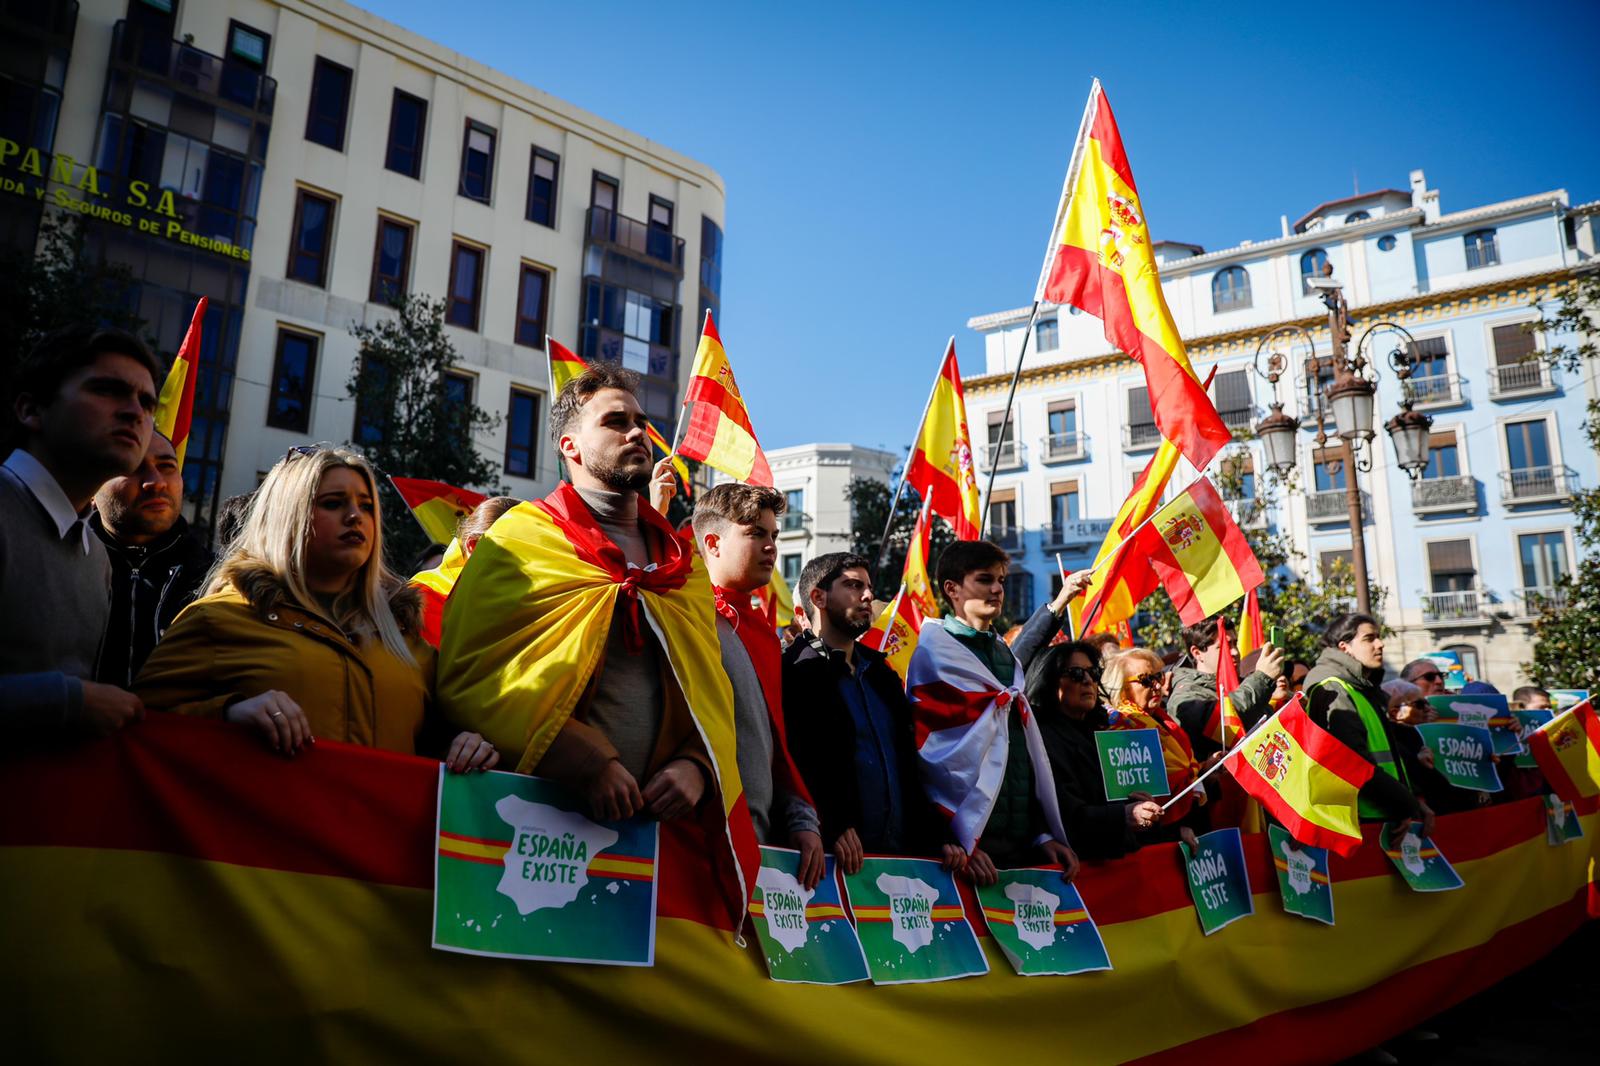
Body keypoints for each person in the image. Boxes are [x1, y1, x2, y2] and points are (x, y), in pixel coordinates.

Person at [436, 365, 721, 829]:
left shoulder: (683, 567)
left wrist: (696, 765)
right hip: (538, 827)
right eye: (615, 422)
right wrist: (588, 763)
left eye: (640, 423)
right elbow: (471, 681)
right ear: (569, 446)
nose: (637, 433)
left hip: (659, 836)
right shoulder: (517, 540)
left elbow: (711, 693)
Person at [136, 447, 496, 773]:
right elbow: (136, 725)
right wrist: (227, 713)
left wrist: (463, 744)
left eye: (366, 506)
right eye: (333, 503)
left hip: (374, 842)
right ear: (286, 516)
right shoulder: (218, 619)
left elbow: (432, 738)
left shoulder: (404, 636)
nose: (355, 516)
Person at [2, 325, 159, 742]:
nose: (135, 412)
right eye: (108, 390)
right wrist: (67, 701)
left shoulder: (97, 558)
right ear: (31, 410)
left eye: (147, 401)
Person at [908, 540, 1079, 884]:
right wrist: (957, 839)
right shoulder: (934, 655)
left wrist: (1040, 835)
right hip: (967, 851)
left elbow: (1019, 750)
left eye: (1001, 579)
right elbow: (929, 759)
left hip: (1019, 842)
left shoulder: (1005, 654)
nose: (998, 589)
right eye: (985, 580)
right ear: (952, 589)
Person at [783, 552, 964, 875]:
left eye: (868, 586)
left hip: (901, 860)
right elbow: (794, 762)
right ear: (818, 596)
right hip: (826, 862)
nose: (868, 595)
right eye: (853, 585)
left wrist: (939, 834)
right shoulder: (792, 671)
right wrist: (832, 821)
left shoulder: (882, 674)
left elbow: (908, 763)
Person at [692, 484, 824, 887]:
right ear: (712, 543)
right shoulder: (684, 614)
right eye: (755, 533)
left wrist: (801, 816)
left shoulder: (763, 634)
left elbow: (775, 741)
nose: (771, 547)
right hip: (693, 837)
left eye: (774, 536)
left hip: (757, 839)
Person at [90, 430, 214, 686]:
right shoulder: (50, 566)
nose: (156, 481)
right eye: (133, 467)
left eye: (167, 466)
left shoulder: (218, 581)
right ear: (91, 486)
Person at [1023, 642, 1165, 859]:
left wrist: (1136, 805)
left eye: (1093, 672)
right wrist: (1123, 815)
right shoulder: (1041, 740)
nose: (1088, 680)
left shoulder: (1104, 734)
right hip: (1076, 869)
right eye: (1076, 673)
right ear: (1050, 681)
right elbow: (1066, 815)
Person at [1304, 613, 1432, 833]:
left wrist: (1411, 798)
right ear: (1345, 647)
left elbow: (1389, 756)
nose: (1380, 644)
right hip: (1361, 822)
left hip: (1384, 816)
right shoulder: (1334, 689)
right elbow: (1354, 761)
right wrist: (1406, 804)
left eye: (1379, 637)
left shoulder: (1360, 688)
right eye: (1369, 638)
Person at [1103, 646, 1216, 832]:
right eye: (1146, 680)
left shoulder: (1163, 719)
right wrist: (1175, 832)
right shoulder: (1120, 728)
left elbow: (1185, 772)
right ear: (1121, 687)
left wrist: (1206, 768)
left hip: (1194, 822)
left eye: (1159, 677)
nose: (1157, 685)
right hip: (1160, 831)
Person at [1167, 615, 1285, 760]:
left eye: (1235, 644)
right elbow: (1223, 722)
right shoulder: (1185, 694)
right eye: (1224, 646)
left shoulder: (1245, 684)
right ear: (1197, 653)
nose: (1235, 652)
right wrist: (1263, 678)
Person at [411, 495, 518, 648]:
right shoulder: (421, 600)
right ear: (473, 547)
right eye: (514, 552)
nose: (525, 567)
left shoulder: (515, 602)